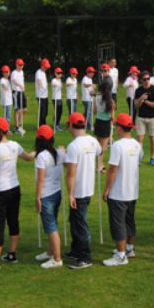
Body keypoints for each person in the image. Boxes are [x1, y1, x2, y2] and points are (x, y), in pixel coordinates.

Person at [0, 117, 35, 270]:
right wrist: (41, 148)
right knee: (13, 221)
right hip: (14, 188)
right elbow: (29, 157)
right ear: (7, 131)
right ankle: (11, 253)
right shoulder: (14, 145)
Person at [103, 113, 143, 266]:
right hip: (132, 191)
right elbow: (138, 160)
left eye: (116, 126)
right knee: (129, 221)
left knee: (118, 223)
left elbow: (112, 170)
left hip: (119, 192)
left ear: (119, 128)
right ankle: (129, 249)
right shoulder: (137, 145)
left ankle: (121, 256)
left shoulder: (117, 146)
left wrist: (107, 189)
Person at [64, 112, 103, 269]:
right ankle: (76, 250)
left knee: (80, 224)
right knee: (74, 221)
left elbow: (71, 173)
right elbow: (100, 151)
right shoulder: (93, 141)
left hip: (79, 190)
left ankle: (85, 257)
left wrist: (70, 194)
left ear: (71, 125)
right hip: (88, 188)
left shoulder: (73, 146)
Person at [33, 125, 66, 269]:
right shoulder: (58, 153)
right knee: (53, 223)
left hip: (46, 195)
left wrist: (37, 198)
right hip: (56, 192)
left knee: (51, 227)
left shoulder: (41, 156)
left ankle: (57, 258)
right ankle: (50, 252)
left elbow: (40, 179)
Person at [134, 71, 154, 166]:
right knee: (139, 138)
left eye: (148, 79)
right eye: (144, 79)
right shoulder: (138, 90)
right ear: (141, 80)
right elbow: (136, 105)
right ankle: (138, 158)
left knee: (152, 138)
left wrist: (145, 101)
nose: (146, 81)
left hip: (153, 118)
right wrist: (141, 98)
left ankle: (152, 158)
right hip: (141, 117)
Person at [94, 80, 116, 170]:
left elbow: (94, 111)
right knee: (103, 147)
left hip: (98, 122)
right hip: (105, 123)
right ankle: (99, 166)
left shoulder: (96, 98)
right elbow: (112, 117)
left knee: (99, 145)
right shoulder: (110, 101)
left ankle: (99, 164)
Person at [11, 58, 28, 135]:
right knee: (17, 110)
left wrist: (23, 86)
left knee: (24, 109)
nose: (21, 66)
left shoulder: (22, 72)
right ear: (16, 65)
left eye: (22, 65)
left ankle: (19, 125)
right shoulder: (14, 72)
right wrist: (20, 85)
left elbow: (22, 80)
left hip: (21, 92)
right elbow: (14, 80)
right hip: (16, 92)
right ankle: (17, 127)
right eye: (20, 65)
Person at [35, 58, 51, 127]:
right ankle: (41, 125)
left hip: (45, 95)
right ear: (42, 66)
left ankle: (44, 124)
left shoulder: (43, 72)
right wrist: (41, 87)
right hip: (40, 95)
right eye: (45, 67)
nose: (46, 68)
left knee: (46, 111)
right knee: (42, 111)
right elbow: (39, 81)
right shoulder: (38, 72)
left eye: (46, 67)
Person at [51, 67, 64, 131]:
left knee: (60, 112)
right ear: (55, 73)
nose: (59, 74)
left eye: (60, 73)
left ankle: (57, 123)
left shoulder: (60, 80)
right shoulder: (54, 80)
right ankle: (56, 125)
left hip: (59, 98)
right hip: (55, 98)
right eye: (58, 73)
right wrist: (55, 85)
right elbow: (53, 85)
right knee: (57, 112)